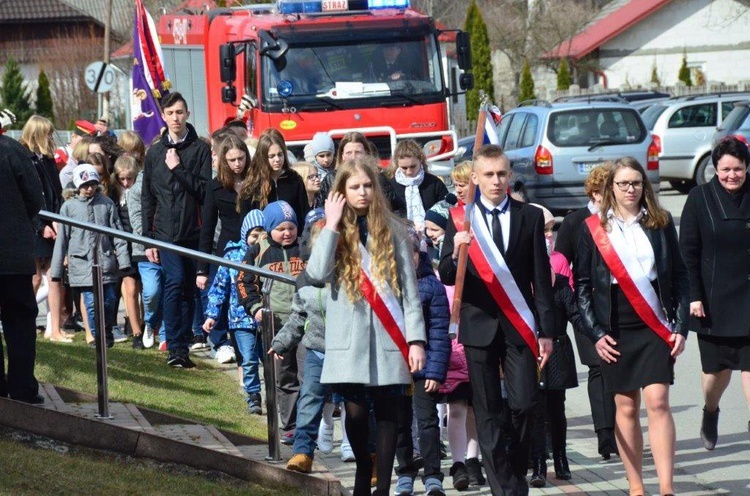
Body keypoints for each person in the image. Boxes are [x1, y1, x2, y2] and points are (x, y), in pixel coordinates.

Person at [438, 144, 555, 495]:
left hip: (519, 326)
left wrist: (547, 331)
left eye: (502, 174)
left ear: (510, 176)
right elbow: (445, 274)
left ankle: (516, 467)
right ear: (475, 178)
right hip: (478, 327)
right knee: (487, 412)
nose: (496, 181)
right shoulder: (460, 218)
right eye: (488, 175)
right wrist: (457, 247)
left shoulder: (529, 216)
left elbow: (541, 278)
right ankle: (504, 488)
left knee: (524, 404)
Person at [305, 157, 426, 496]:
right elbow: (315, 274)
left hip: (388, 340)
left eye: (368, 186)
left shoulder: (395, 230)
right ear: (341, 191)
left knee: (390, 416)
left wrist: (416, 340)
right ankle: (363, 468)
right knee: (356, 419)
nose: (362, 192)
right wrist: (330, 225)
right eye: (354, 186)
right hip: (349, 345)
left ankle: (383, 489)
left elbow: (410, 292)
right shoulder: (330, 231)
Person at [577, 156, 688, 496]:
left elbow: (680, 276)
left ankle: (666, 488)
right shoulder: (594, 227)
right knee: (626, 406)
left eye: (636, 183)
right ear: (610, 187)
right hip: (615, 325)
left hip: (654, 322)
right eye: (623, 183)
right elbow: (582, 285)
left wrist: (681, 326)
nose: (630, 189)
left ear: (644, 185)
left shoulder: (660, 221)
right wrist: (596, 334)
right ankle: (636, 486)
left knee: (658, 401)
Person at [679, 136, 750, 450]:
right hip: (712, 302)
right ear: (715, 169)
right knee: (715, 374)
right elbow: (688, 254)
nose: (732, 175)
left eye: (738, 169)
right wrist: (694, 296)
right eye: (725, 169)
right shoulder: (699, 198)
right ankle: (710, 411)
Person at [142, 91, 212, 368]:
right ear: (163, 116)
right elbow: (148, 197)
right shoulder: (155, 152)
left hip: (192, 230)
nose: (175, 118)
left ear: (187, 115)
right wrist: (148, 238)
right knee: (173, 282)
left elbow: (205, 191)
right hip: (165, 233)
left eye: (180, 112)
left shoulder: (200, 149)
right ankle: (174, 345)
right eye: (170, 113)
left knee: (187, 288)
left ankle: (182, 347)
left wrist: (180, 169)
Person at [555, 163, 619, 460]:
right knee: (597, 366)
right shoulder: (575, 222)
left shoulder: (622, 219)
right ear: (594, 192)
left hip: (620, 303)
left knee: (618, 368)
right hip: (586, 304)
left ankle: (621, 428)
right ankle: (605, 435)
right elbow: (561, 264)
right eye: (609, 191)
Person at [238, 200, 306, 446]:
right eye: (281, 229)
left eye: (291, 228)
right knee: (284, 375)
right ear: (269, 229)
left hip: (306, 321)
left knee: (308, 375)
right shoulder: (259, 250)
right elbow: (244, 282)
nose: (287, 233)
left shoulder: (305, 246)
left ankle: (308, 427)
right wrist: (256, 308)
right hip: (276, 323)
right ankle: (289, 426)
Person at [271, 216, 332, 474]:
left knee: (357, 407)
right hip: (317, 350)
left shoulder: (351, 275)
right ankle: (302, 452)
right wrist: (281, 342)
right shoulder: (306, 279)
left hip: (349, 351)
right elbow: (298, 316)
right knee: (309, 401)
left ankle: (368, 452)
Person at [393, 227, 451, 496]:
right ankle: (405, 472)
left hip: (424, 368)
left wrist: (436, 372)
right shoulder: (387, 286)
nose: (407, 259)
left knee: (427, 422)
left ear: (419, 254)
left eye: (411, 253)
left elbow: (440, 332)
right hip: (395, 367)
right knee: (399, 422)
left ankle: (433, 476)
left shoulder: (432, 286)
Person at [528, 205, 581, 488]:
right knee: (534, 409)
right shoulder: (524, 283)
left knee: (556, 409)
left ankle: (561, 460)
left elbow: (575, 312)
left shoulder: (560, 283)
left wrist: (597, 334)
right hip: (530, 351)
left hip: (558, 349)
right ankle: (538, 464)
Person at [51, 164, 131, 348]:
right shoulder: (69, 208)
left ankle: (108, 328)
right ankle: (97, 336)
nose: (90, 188)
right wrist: (56, 271)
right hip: (82, 264)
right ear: (78, 185)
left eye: (93, 184)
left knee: (110, 300)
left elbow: (118, 234)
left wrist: (124, 262)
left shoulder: (107, 204)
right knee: (91, 302)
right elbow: (62, 239)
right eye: (86, 184)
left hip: (106, 262)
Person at [204, 210, 266, 415]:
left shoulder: (268, 255)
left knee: (270, 360)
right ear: (245, 234)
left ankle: (275, 394)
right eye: (253, 235)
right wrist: (212, 314)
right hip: (241, 320)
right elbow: (219, 287)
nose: (257, 239)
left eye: (262, 234)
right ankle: (254, 395)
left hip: (266, 319)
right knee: (248, 359)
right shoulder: (232, 256)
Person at [0, 131, 44, 403]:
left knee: (20, 320)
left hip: (14, 253)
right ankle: (22, 387)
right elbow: (35, 199)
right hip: (14, 254)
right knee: (20, 323)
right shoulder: (12, 150)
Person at [237, 128, 310, 229]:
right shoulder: (252, 184)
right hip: (263, 240)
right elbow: (245, 222)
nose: (277, 160)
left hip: (292, 239)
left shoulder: (294, 179)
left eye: (280, 154)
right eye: (271, 156)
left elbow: (303, 215)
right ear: (263, 157)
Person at [113, 155, 145, 349]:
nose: (125, 182)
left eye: (129, 178)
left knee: (146, 291)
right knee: (130, 289)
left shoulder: (139, 191)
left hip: (139, 246)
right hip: (123, 247)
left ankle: (145, 324)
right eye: (122, 179)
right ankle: (136, 332)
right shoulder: (113, 194)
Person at [389, 139, 449, 230]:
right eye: (404, 168)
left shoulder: (434, 183)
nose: (409, 172)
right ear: (397, 164)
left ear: (420, 160)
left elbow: (447, 211)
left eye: (413, 166)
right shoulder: (390, 186)